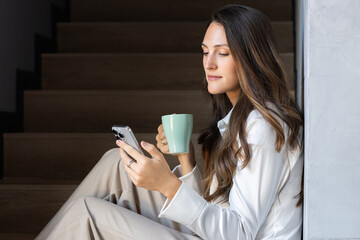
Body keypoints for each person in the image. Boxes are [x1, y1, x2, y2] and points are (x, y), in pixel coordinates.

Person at [36, 4, 303, 240]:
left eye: (222, 53)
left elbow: (239, 233)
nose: (208, 64)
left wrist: (166, 184)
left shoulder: (262, 126)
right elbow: (216, 208)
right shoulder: (239, 119)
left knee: (87, 213)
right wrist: (186, 159)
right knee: (116, 162)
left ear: (252, 58)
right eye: (204, 52)